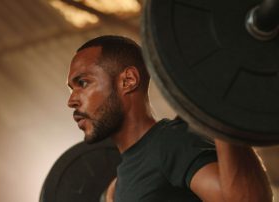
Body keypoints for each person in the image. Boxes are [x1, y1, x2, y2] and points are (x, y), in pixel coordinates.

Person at [67, 35, 273, 202]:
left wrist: (218, 108)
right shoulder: (123, 177)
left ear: (128, 81)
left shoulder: (170, 143)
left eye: (83, 83)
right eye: (71, 89)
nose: (72, 101)